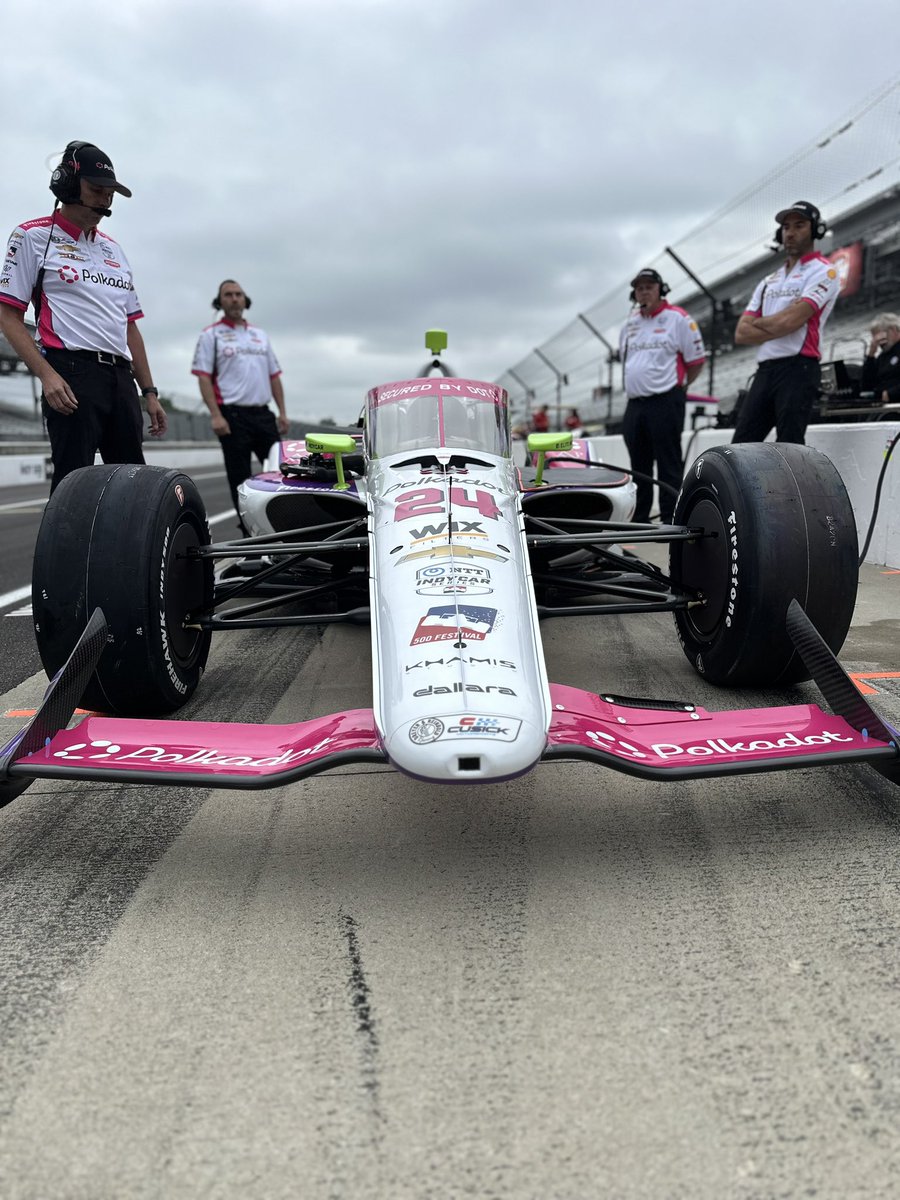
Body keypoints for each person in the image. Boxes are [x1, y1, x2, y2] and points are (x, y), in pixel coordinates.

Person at [0, 140, 166, 492]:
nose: (105, 200)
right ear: (67, 185)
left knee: (132, 486)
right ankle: (62, 550)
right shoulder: (31, 236)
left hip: (122, 380)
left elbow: (130, 326)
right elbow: (8, 315)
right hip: (71, 374)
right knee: (73, 486)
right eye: (96, 190)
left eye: (110, 194)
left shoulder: (114, 249)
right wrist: (47, 376)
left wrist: (149, 391)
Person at [732, 201, 840, 443]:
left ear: (816, 230)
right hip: (765, 370)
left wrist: (759, 323)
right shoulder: (769, 279)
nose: (790, 233)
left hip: (798, 368)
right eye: (786, 227)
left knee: (789, 447)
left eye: (799, 225)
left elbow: (791, 321)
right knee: (740, 447)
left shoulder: (825, 271)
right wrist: (778, 323)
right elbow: (741, 333)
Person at [191, 280, 289, 528]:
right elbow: (203, 376)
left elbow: (274, 376)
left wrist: (283, 413)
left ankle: (283, 526)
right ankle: (248, 531)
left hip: (263, 415)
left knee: (282, 472)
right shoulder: (210, 334)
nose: (234, 299)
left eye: (238, 294)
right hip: (232, 417)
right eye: (228, 295)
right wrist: (215, 415)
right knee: (240, 479)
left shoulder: (260, 335)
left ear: (245, 301)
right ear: (220, 301)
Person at [618, 268, 706, 523]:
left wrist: (678, 388)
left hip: (665, 401)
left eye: (649, 286)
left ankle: (671, 518)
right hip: (635, 404)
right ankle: (640, 519)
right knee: (638, 465)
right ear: (634, 293)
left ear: (661, 289)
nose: (644, 291)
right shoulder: (629, 324)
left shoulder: (678, 318)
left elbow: (696, 361)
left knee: (668, 464)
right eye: (639, 288)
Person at [861, 313, 900, 406]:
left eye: (880, 335)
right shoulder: (883, 356)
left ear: (894, 330)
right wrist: (871, 355)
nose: (878, 340)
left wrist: (891, 393)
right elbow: (866, 385)